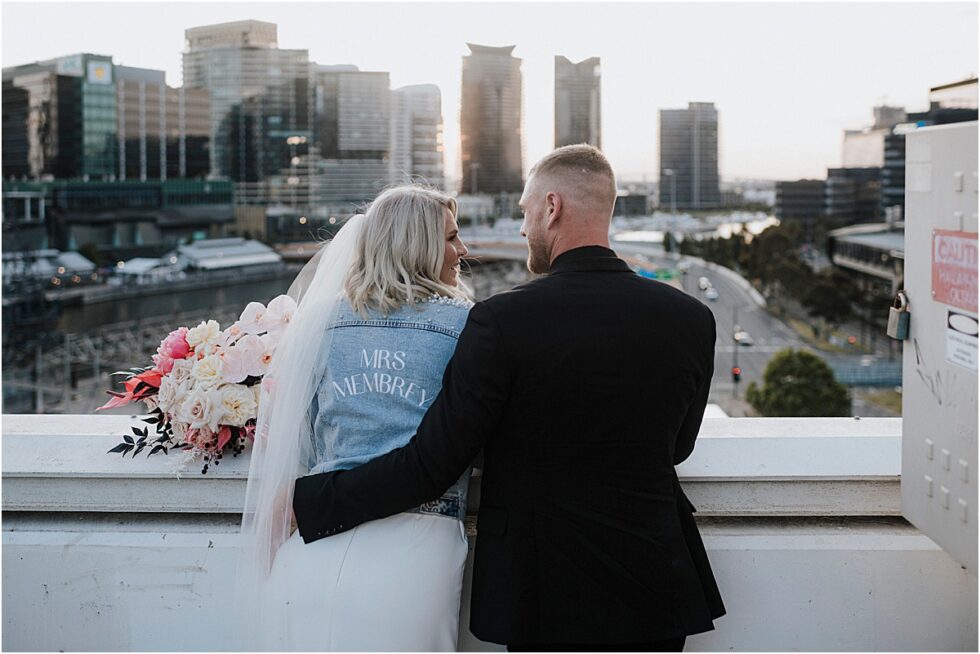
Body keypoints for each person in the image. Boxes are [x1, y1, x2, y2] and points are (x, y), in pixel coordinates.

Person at [292, 144, 726, 651]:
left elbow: (433, 464)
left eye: (524, 211)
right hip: (655, 578)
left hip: (542, 585)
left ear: (551, 207)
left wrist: (312, 501)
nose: (521, 228)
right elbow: (678, 448)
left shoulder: (501, 321)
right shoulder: (691, 319)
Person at [236, 185, 474, 651]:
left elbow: (293, 438)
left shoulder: (320, 321)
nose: (462, 250)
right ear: (417, 243)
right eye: (450, 237)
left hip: (311, 547)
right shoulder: (465, 325)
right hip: (416, 548)